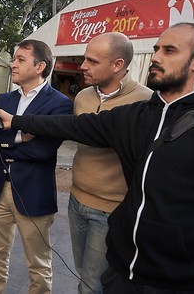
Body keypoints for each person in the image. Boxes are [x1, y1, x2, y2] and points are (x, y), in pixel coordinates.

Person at [0, 23, 194, 293]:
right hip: (122, 271)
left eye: (169, 51)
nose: (156, 57)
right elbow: (75, 126)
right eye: (156, 49)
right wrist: (17, 121)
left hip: (182, 282)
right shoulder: (138, 115)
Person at [0, 39, 72, 294]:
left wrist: (5, 137)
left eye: (20, 59)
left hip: (34, 192)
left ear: (40, 66)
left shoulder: (60, 103)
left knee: (38, 263)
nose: (12, 64)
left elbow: (43, 150)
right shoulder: (3, 99)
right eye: (14, 58)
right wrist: (21, 135)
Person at [68, 32, 152, 294]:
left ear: (117, 65)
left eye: (92, 61)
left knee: (92, 284)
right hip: (75, 202)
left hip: (111, 210)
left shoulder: (145, 102)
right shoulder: (82, 97)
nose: (83, 66)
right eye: (84, 59)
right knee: (83, 272)